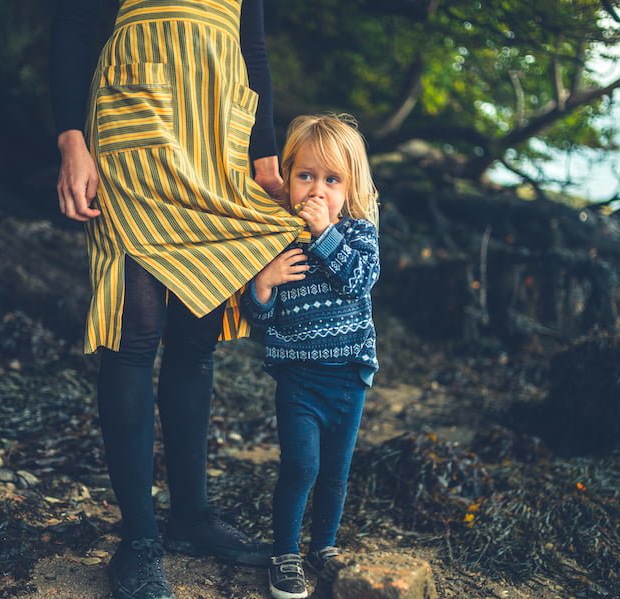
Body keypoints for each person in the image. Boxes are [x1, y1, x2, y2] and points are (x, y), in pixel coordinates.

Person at [49, 1, 304, 598]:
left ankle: (191, 516)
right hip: (135, 117)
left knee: (196, 338)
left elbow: (254, 47)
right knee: (133, 332)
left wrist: (264, 156)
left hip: (219, 132)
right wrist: (70, 138)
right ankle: (139, 538)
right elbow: (75, 22)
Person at [240, 114, 380, 599]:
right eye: (306, 176)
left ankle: (324, 546)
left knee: (336, 474)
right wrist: (263, 283)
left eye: (331, 179)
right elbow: (258, 319)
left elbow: (358, 280)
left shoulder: (359, 234)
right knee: (301, 467)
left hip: (348, 376)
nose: (316, 190)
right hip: (298, 378)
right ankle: (284, 553)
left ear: (349, 187)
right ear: (288, 175)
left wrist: (325, 235)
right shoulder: (275, 237)